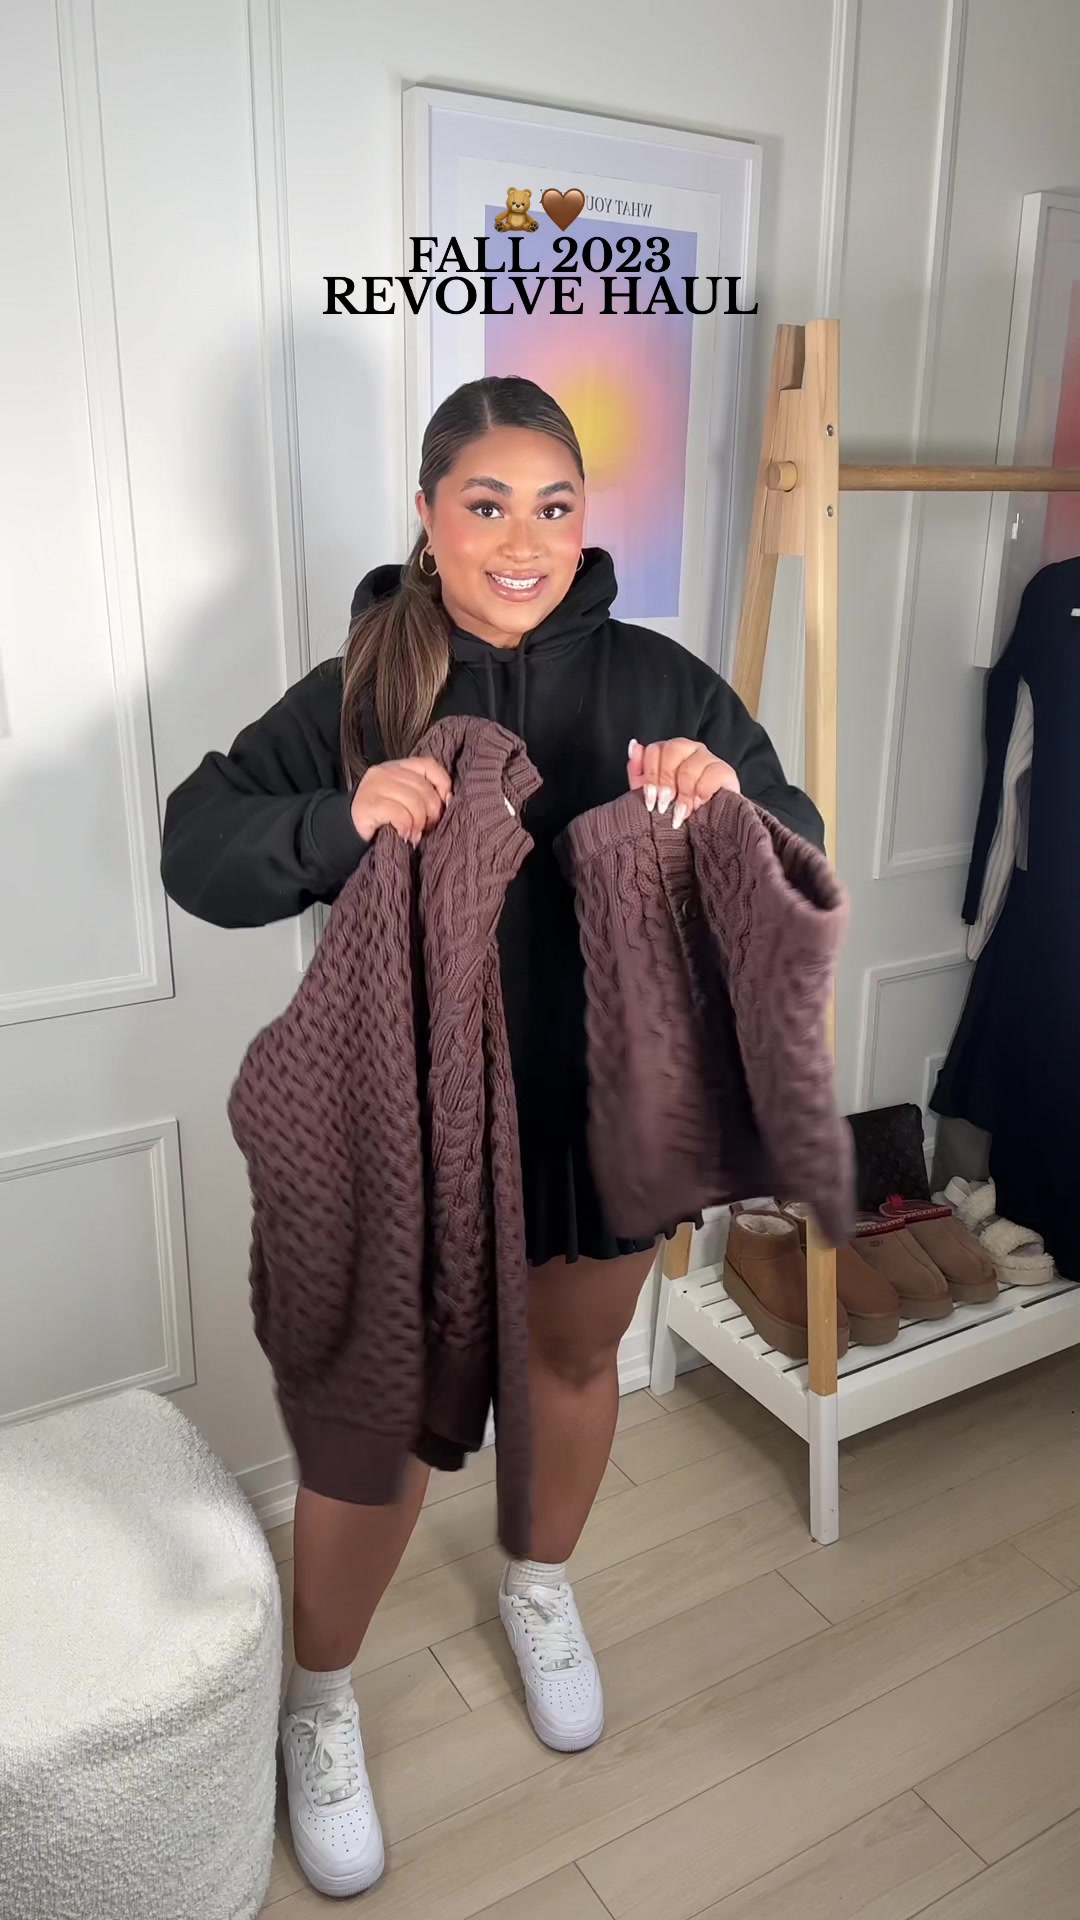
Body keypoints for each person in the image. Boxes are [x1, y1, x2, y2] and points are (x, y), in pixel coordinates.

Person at [161, 374, 823, 1900]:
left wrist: (732, 802)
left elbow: (795, 844)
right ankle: (321, 1703)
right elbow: (199, 843)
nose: (523, 541)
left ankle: (539, 1583)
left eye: (555, 507)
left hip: (605, 1106)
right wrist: (336, 821)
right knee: (385, 1416)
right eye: (486, 504)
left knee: (575, 1365)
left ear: (585, 521)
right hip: (414, 1116)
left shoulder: (658, 679)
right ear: (427, 515)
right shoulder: (359, 691)